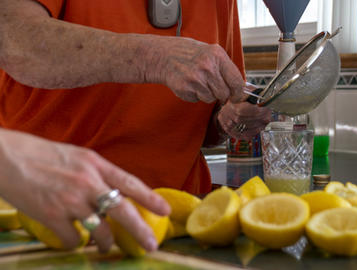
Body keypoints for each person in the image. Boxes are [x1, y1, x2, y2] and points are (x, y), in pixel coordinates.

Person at [0, 0, 271, 252]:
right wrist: (154, 58)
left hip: (177, 226)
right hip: (46, 220)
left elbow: (209, 127)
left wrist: (229, 121)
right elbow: (15, 41)